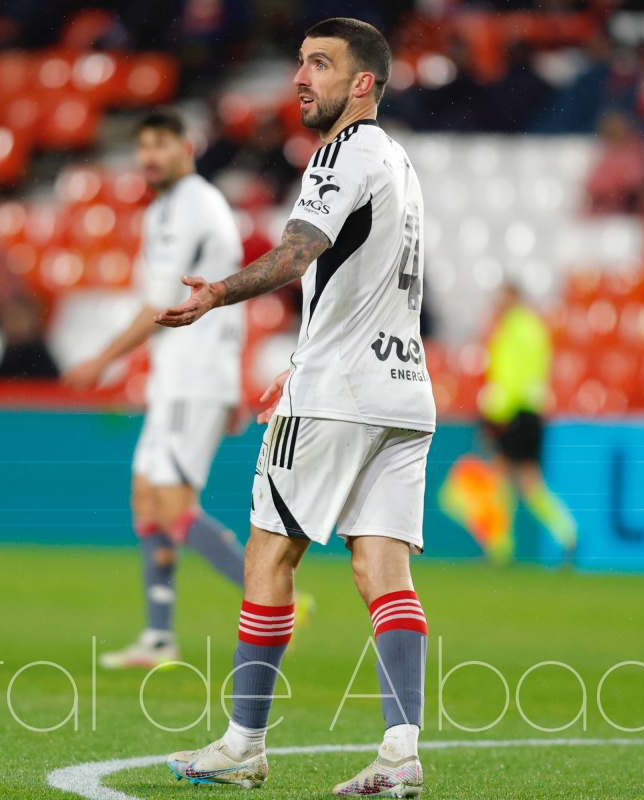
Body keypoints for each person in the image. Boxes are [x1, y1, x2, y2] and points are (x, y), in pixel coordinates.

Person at [155, 18, 434, 797]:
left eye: (320, 64)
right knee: (381, 568)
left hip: (337, 394)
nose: (301, 78)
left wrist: (216, 293)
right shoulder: (400, 162)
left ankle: (243, 744)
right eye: (300, 62)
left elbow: (297, 252)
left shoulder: (342, 153)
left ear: (363, 83)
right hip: (404, 390)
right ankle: (400, 753)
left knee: (269, 555)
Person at [63, 109, 248, 670]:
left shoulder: (192, 203)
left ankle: (272, 594)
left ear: (186, 148)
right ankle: (159, 638)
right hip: (182, 373)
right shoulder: (166, 208)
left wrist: (102, 360)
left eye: (161, 144)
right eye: (143, 145)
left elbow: (163, 304)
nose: (149, 155)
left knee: (171, 504)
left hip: (197, 373)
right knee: (147, 495)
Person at [469, 282, 577, 565]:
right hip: (530, 411)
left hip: (515, 412)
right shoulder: (532, 328)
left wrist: (495, 416)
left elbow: (510, 379)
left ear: (514, 298)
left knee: (509, 479)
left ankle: (501, 548)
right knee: (521, 481)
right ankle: (565, 533)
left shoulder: (514, 330)